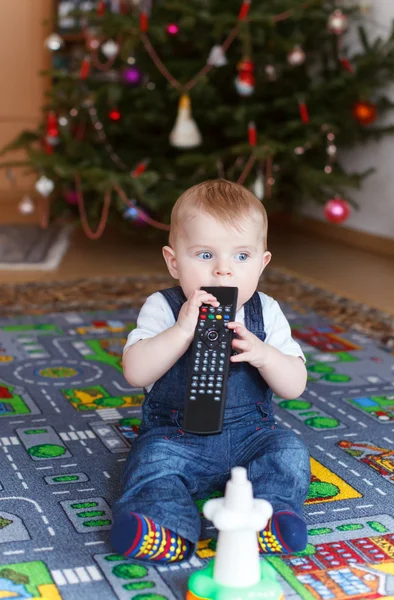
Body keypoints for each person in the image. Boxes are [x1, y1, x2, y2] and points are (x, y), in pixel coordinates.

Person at [111, 179, 310, 563]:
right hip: (178, 437)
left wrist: (266, 354)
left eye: (240, 257)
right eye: (204, 255)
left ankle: (267, 517)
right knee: (150, 461)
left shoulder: (265, 312)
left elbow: (294, 386)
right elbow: (135, 372)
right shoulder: (164, 307)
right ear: (173, 261)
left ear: (262, 262)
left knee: (288, 453)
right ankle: (163, 526)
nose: (223, 271)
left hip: (252, 437)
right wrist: (181, 331)